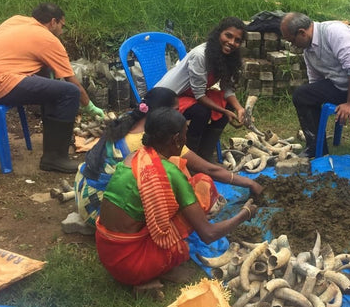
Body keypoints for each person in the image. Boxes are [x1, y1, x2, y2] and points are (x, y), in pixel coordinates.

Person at [96, 108, 258, 287]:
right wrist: (246, 213)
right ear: (176, 139)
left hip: (106, 251)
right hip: (131, 265)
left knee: (190, 184)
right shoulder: (169, 173)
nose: (186, 138)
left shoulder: (136, 157)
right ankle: (160, 267)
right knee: (199, 193)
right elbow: (208, 234)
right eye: (185, 133)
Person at [75, 87, 263, 228]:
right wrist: (250, 183)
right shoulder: (156, 139)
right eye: (175, 110)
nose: (179, 114)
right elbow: (209, 169)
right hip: (101, 213)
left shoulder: (129, 120)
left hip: (84, 192)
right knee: (190, 185)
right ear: (161, 114)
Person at [0, 3, 105, 173]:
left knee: (49, 77)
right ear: (53, 22)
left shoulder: (16, 21)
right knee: (69, 92)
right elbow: (73, 84)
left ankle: (53, 145)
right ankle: (55, 158)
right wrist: (90, 107)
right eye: (62, 26)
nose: (62, 31)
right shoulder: (47, 39)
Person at [279, 12, 350, 189]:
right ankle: (316, 147)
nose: (291, 45)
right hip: (339, 85)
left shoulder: (334, 32)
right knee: (302, 95)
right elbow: (316, 81)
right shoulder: (308, 49)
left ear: (302, 33)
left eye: (291, 40)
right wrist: (318, 100)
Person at [155, 17, 247, 161]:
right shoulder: (201, 55)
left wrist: (239, 108)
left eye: (237, 40)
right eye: (228, 36)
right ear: (218, 34)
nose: (231, 42)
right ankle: (190, 157)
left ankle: (205, 153)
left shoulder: (228, 57)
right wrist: (224, 111)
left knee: (227, 103)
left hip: (190, 94)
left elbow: (226, 88)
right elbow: (199, 95)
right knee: (202, 112)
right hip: (166, 99)